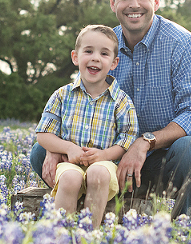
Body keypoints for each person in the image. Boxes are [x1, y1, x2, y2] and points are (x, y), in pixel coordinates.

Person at [30, 0, 191, 220]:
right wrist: (61, 147)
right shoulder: (102, 46)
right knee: (40, 152)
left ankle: (181, 224)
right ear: (113, 3)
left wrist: (145, 142)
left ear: (156, 1)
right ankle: (86, 210)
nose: (134, 4)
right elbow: (78, 102)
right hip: (111, 158)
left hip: (167, 158)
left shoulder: (182, 44)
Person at [35, 24, 139, 227]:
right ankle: (60, 237)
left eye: (104, 53)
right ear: (75, 57)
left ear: (114, 62)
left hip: (104, 165)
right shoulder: (62, 95)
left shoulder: (121, 101)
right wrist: (68, 148)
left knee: (98, 174)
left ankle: (89, 236)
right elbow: (43, 135)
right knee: (70, 179)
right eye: (88, 51)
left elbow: (128, 138)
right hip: (70, 163)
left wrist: (105, 155)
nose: (95, 58)